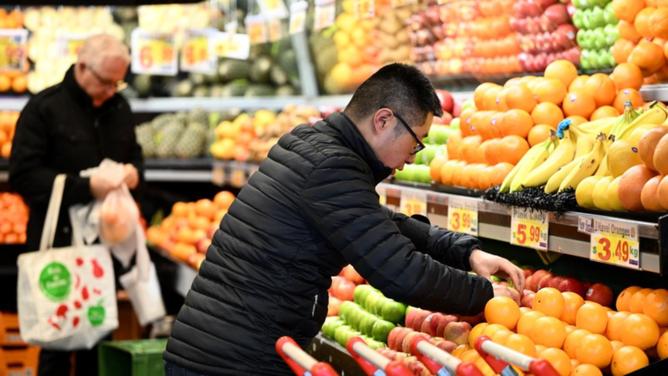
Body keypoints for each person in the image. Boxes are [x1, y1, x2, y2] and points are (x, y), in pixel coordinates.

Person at [164, 63, 524, 375]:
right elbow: (402, 273)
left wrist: (464, 252)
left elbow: (375, 223)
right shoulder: (332, 165)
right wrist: (486, 294)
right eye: (417, 142)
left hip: (223, 347)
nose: (413, 158)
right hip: (235, 360)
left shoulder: (311, 142)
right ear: (383, 120)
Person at [9, 34, 143, 376]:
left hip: (107, 245)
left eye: (119, 82)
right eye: (106, 82)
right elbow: (23, 176)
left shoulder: (120, 107)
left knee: (99, 337)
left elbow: (136, 157)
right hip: (58, 244)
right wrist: (85, 187)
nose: (113, 90)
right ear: (82, 68)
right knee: (56, 341)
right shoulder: (44, 108)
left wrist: (133, 174)